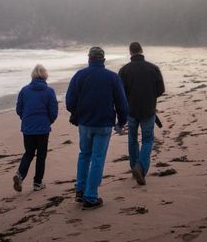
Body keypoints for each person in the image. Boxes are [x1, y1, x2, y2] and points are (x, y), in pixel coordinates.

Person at [66, 46, 128, 210]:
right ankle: (91, 196)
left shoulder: (80, 75)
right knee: (97, 159)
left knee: (84, 155)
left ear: (89, 59)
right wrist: (122, 121)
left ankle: (80, 190)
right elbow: (122, 102)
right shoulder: (112, 77)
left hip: (85, 123)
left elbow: (69, 101)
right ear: (103, 60)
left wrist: (77, 113)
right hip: (104, 123)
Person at [118, 42, 165, 186]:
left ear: (130, 52)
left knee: (132, 139)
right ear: (141, 51)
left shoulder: (124, 70)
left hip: (131, 111)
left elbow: (120, 93)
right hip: (148, 110)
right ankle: (141, 166)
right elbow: (160, 90)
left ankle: (134, 167)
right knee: (147, 139)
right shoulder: (153, 68)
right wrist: (150, 97)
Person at [13, 64, 58, 192]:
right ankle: (37, 183)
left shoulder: (24, 90)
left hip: (28, 127)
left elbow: (19, 109)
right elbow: (53, 111)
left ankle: (20, 175)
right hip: (43, 127)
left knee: (28, 153)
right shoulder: (49, 91)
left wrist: (26, 119)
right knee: (41, 155)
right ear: (45, 75)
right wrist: (48, 121)